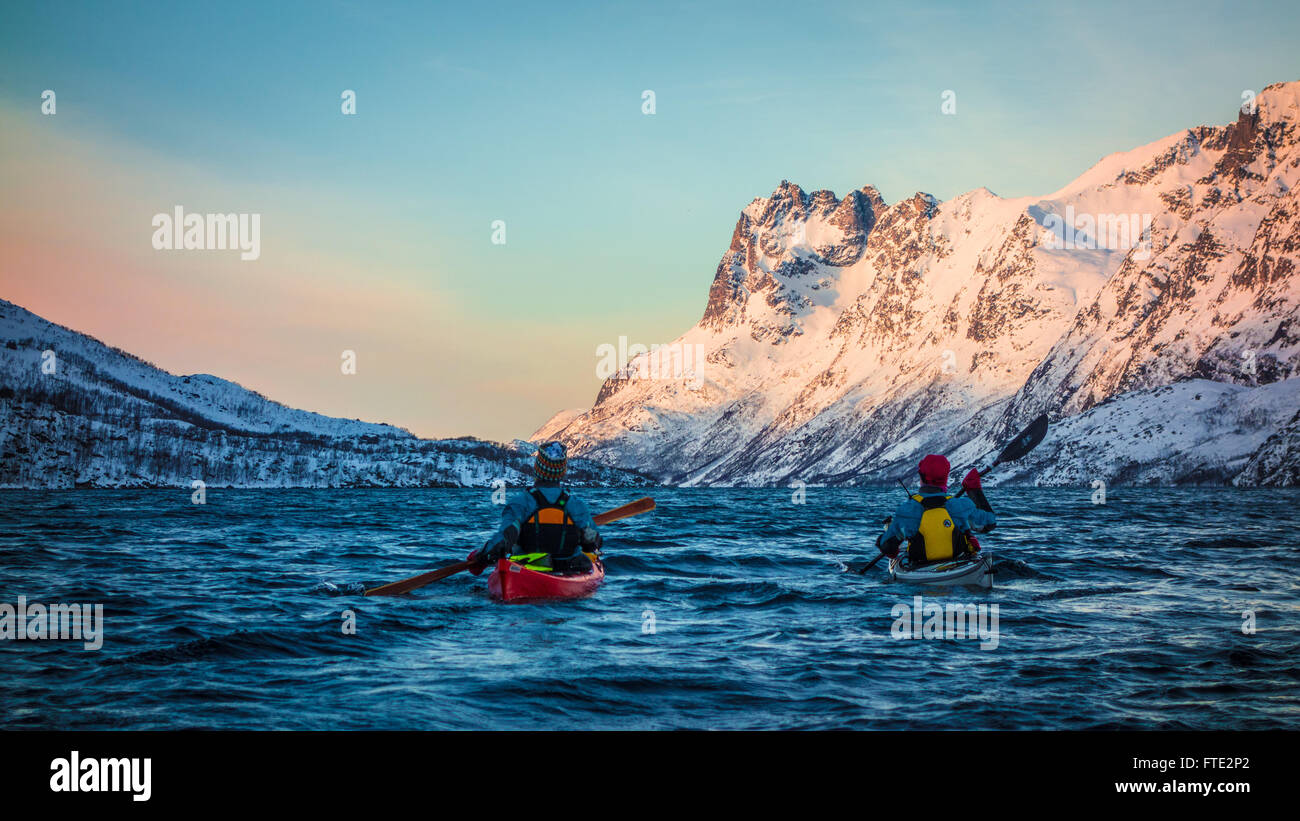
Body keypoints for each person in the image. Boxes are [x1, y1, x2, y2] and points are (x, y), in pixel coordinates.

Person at [467, 441, 603, 574]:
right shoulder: (576, 505)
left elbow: (504, 540)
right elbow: (592, 542)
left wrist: (480, 557)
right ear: (561, 473)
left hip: (527, 570)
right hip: (568, 570)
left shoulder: (520, 503)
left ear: (537, 469)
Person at [876, 454, 995, 566]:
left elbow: (888, 548)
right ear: (946, 477)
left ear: (921, 477)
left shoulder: (907, 510)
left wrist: (883, 539)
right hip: (958, 564)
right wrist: (974, 489)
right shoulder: (962, 505)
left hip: (920, 569)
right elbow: (989, 524)